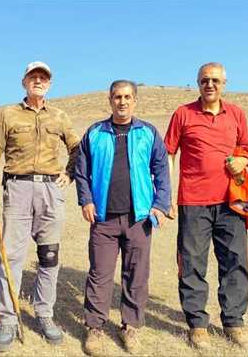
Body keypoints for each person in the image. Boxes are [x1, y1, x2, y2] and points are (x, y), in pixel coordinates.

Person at [0, 61, 80, 352]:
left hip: (51, 189)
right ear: (24, 81)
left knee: (49, 256)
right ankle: (8, 320)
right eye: (33, 77)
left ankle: (44, 314)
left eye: (43, 78)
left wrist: (70, 173)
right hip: (18, 187)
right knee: (10, 257)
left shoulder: (59, 116)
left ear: (49, 84)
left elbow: (77, 147)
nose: (38, 81)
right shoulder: (8, 114)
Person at [74, 80, 171, 356]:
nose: (122, 102)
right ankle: (94, 328)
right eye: (117, 97)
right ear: (110, 100)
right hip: (103, 219)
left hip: (139, 217)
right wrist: (86, 200)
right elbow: (82, 172)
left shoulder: (148, 132)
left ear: (135, 100)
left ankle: (131, 327)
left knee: (136, 275)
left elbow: (162, 170)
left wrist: (160, 205)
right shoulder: (94, 133)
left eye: (128, 97)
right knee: (100, 274)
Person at [164, 62, 248, 350]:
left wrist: (244, 160)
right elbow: (168, 154)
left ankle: (234, 322)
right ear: (198, 84)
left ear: (224, 83)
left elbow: (247, 149)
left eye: (215, 80)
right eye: (204, 80)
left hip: (232, 201)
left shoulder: (237, 114)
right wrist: (167, 195)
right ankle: (197, 324)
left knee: (235, 261)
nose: (210, 85)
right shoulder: (183, 114)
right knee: (191, 262)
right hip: (193, 201)